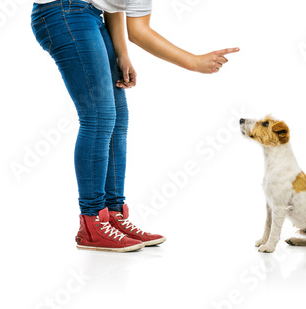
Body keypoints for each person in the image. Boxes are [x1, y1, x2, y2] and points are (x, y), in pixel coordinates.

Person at [30, 0, 239, 252]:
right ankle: (91, 223)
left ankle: (112, 216)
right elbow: (140, 33)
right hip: (63, 11)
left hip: (90, 15)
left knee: (117, 117)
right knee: (98, 117)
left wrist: (121, 53)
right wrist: (194, 62)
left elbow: (114, 4)